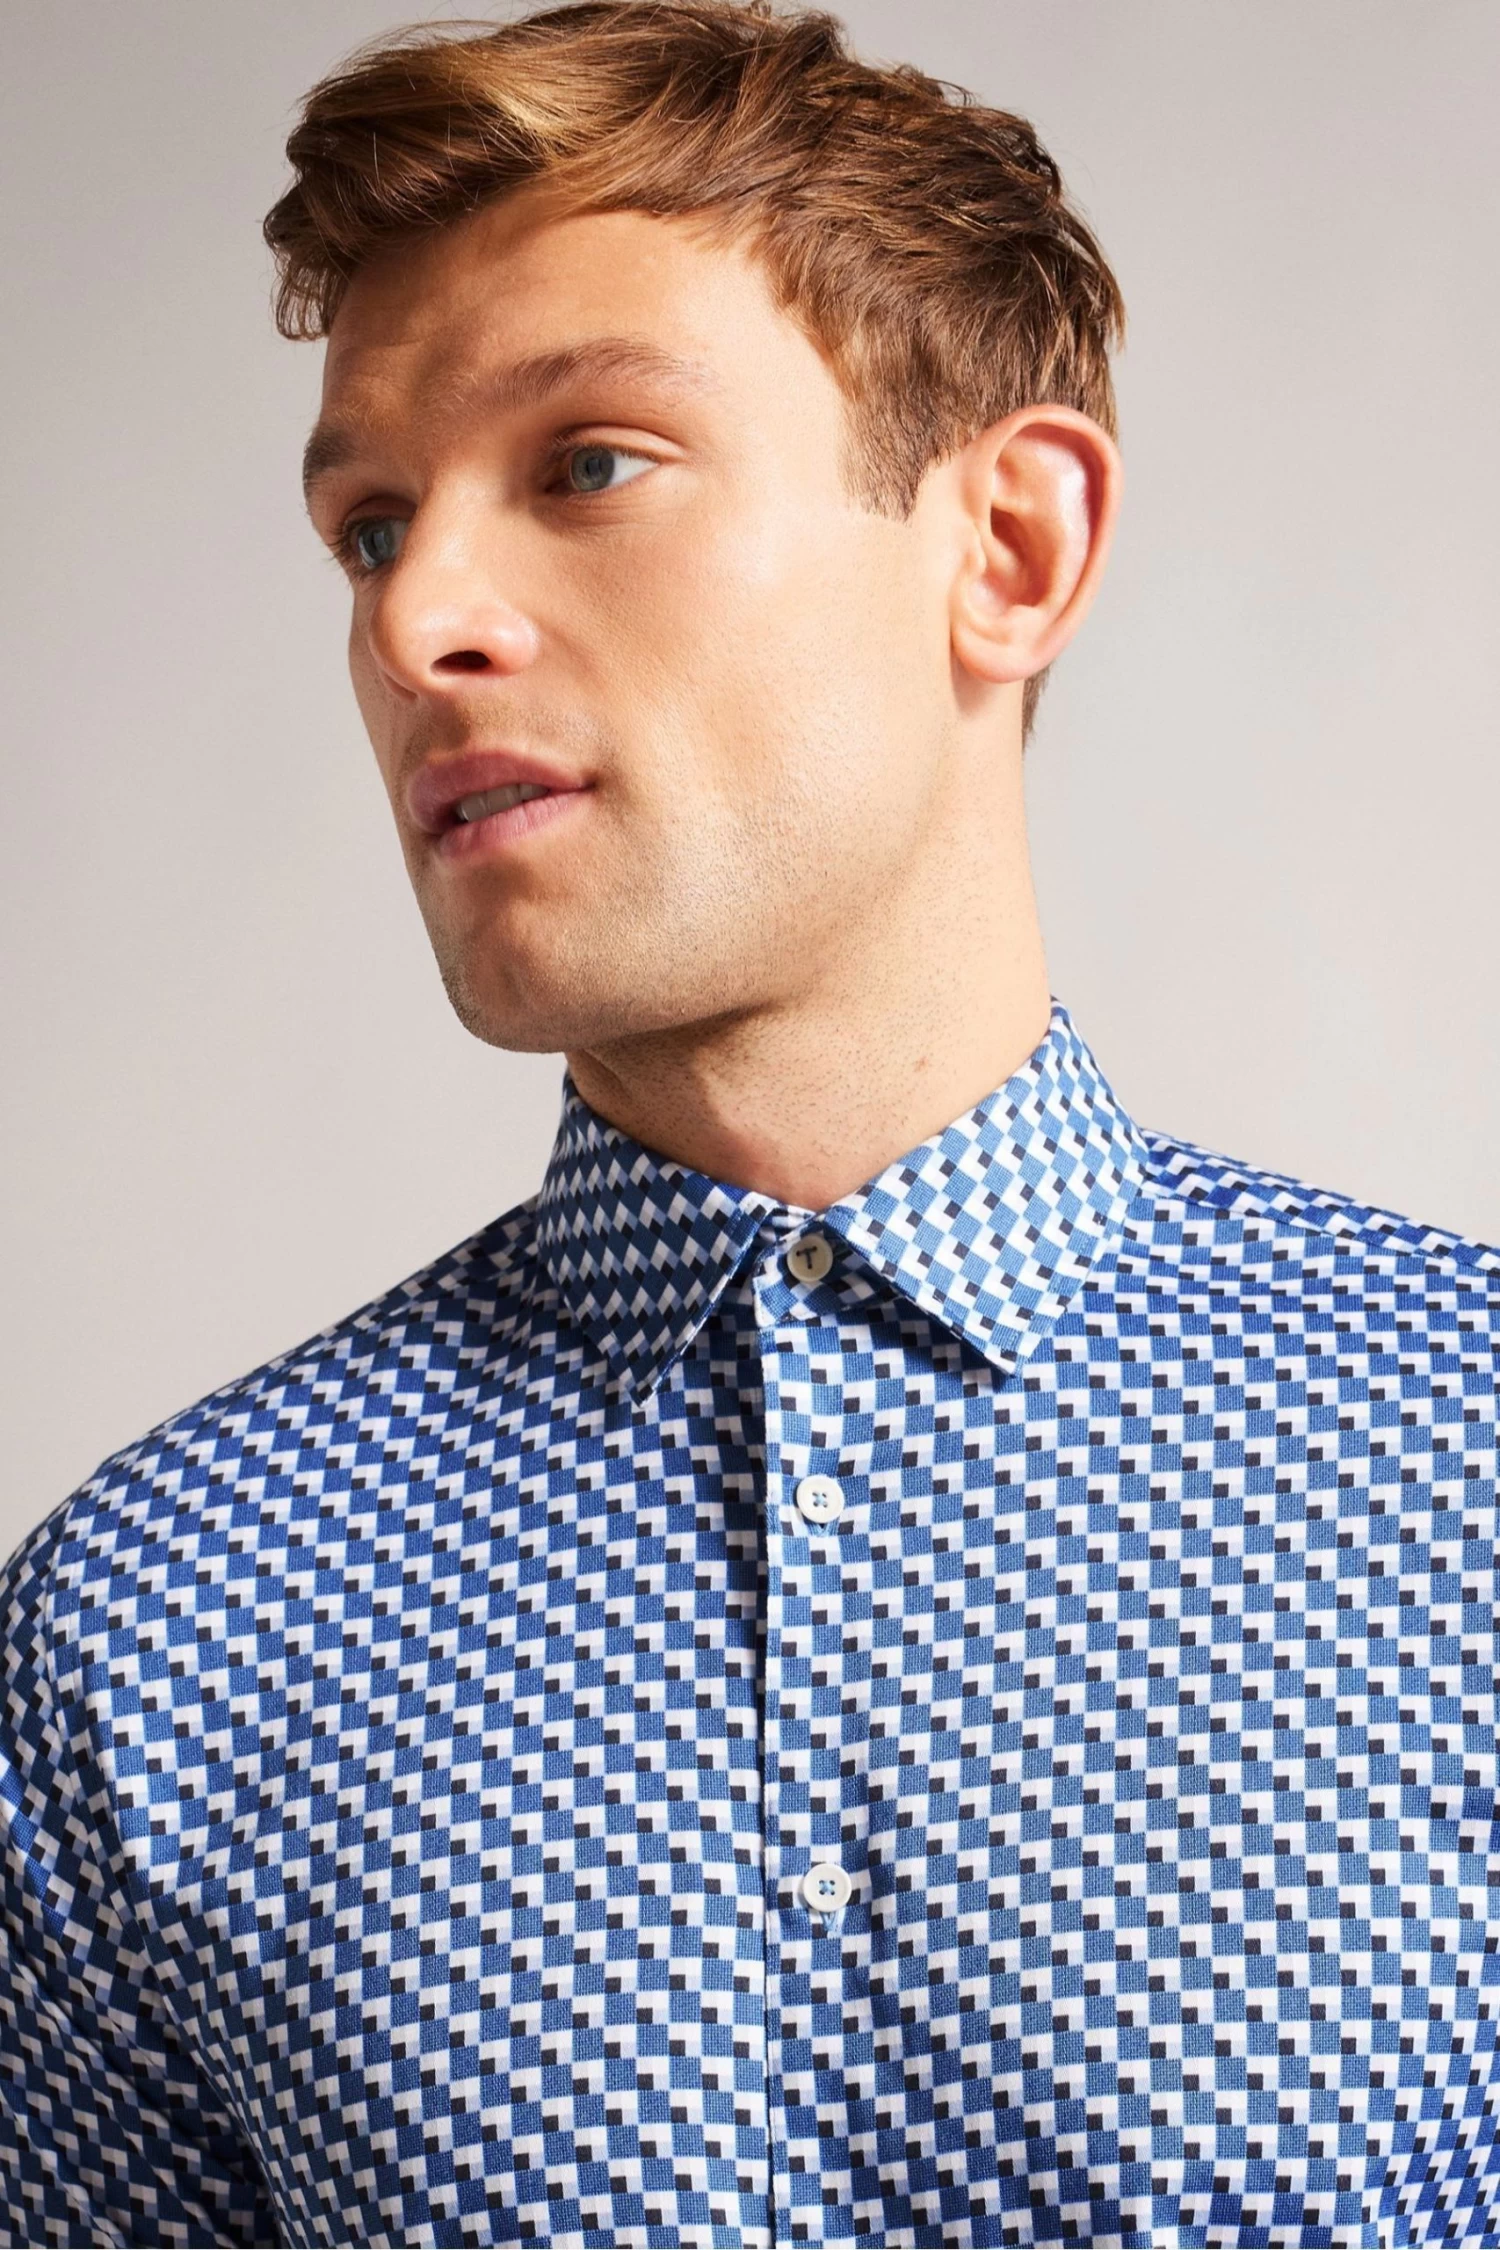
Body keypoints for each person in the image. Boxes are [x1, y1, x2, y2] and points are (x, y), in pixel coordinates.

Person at [2, 1, 1496, 2242]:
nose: (416, 622)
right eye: (369, 527)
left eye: (590, 464)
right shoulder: (147, 1639)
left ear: (1008, 547)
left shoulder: (1467, 1468)